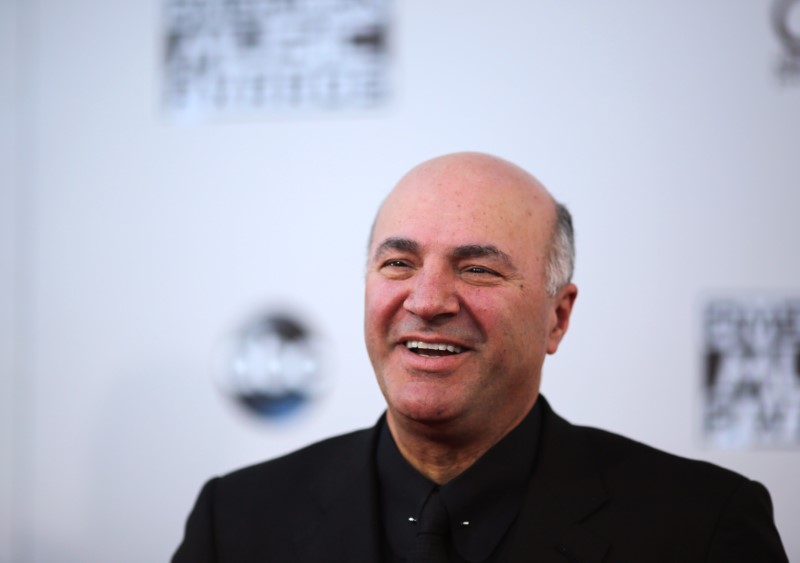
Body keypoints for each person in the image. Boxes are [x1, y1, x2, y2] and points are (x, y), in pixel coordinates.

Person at [172, 152, 788, 562]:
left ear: (558, 316)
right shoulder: (236, 525)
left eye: (478, 269)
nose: (429, 300)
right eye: (398, 264)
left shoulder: (701, 528)